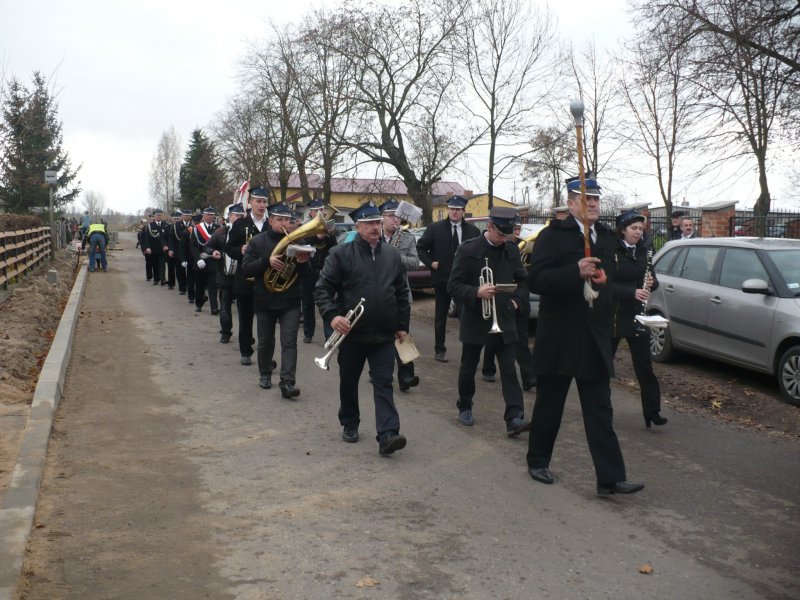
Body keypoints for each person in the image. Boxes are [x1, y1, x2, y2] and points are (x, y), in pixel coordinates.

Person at [526, 175, 644, 497]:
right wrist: (573, 272)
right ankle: (537, 460)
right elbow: (536, 279)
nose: (592, 203)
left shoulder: (605, 238)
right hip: (560, 336)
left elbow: (611, 282)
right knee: (550, 405)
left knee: (600, 410)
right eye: (585, 198)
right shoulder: (553, 236)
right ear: (570, 202)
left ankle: (610, 477)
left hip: (594, 336)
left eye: (595, 199)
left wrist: (604, 281)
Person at [314, 200, 410, 455]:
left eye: (378, 222)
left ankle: (388, 434)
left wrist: (402, 325)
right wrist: (332, 316)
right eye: (369, 223)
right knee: (349, 381)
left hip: (382, 336)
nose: (375, 227)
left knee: (383, 383)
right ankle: (350, 422)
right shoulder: (341, 254)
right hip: (351, 335)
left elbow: (401, 292)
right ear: (357, 226)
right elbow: (323, 289)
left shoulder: (392, 255)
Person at [447, 207, 530, 435]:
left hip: (504, 318)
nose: (505, 239)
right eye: (501, 234)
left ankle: (515, 417)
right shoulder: (468, 250)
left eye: (508, 235)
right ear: (490, 227)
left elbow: (524, 283)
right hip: (477, 317)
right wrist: (475, 292)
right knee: (468, 367)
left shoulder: (511, 250)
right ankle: (465, 404)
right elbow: (452, 286)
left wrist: (516, 302)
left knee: (509, 370)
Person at [241, 202, 311, 398]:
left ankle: (287, 383)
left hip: (290, 301)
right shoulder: (257, 242)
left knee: (289, 342)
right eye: (279, 219)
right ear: (270, 220)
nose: (284, 223)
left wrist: (304, 264)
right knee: (265, 342)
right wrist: (266, 261)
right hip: (264, 300)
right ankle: (265, 373)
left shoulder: (297, 241)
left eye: (287, 220)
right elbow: (245, 269)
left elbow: (307, 276)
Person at [611, 210, 667, 429]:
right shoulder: (612, 251)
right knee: (604, 367)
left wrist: (651, 283)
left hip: (638, 317)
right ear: (623, 229)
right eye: (633, 228)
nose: (638, 233)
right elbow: (605, 285)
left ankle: (652, 412)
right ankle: (601, 410)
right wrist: (631, 292)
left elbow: (653, 280)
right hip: (615, 316)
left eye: (641, 229)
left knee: (645, 367)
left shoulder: (645, 249)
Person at [416, 195, 481, 363]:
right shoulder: (435, 228)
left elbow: (479, 254)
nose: (454, 212)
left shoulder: (473, 231)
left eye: (457, 210)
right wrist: (431, 263)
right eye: (451, 209)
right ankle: (440, 350)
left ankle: (468, 349)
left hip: (464, 283)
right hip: (442, 279)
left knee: (465, 316)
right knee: (441, 317)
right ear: (448, 210)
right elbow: (421, 248)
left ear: (463, 212)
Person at [481, 214, 536, 391]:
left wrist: (518, 300)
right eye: (514, 229)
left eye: (517, 229)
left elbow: (524, 277)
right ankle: (489, 367)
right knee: (494, 338)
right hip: (499, 300)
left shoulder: (519, 246)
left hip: (517, 301)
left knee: (520, 341)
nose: (515, 233)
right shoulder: (499, 248)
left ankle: (529, 378)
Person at [226, 187, 270, 366]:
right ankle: (245, 350)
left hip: (267, 280)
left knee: (266, 321)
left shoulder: (271, 224)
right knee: (245, 319)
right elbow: (228, 248)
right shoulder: (241, 224)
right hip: (245, 279)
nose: (261, 205)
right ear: (250, 202)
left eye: (264, 202)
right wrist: (240, 250)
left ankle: (265, 353)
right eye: (258, 201)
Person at [380, 198, 420, 391]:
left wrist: (396, 257)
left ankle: (406, 376)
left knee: (403, 334)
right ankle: (378, 373)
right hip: (377, 294)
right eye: (390, 216)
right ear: (382, 218)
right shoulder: (372, 236)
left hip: (400, 294)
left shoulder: (407, 238)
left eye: (397, 216)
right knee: (379, 334)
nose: (394, 220)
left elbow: (414, 263)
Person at [206, 203, 245, 343]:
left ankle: (245, 335)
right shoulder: (221, 232)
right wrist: (213, 252)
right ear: (229, 217)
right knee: (225, 305)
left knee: (244, 309)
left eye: (241, 215)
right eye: (236, 215)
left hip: (243, 275)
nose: (239, 218)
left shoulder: (248, 231)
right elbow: (208, 247)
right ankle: (226, 332)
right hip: (225, 274)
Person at [300, 198, 337, 344]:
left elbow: (334, 248)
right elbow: (302, 244)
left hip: (324, 269)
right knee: (308, 303)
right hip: (309, 269)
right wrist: (317, 237)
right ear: (311, 212)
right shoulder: (304, 226)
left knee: (326, 301)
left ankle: (329, 335)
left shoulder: (330, 226)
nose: (321, 212)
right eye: (317, 210)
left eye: (322, 210)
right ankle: (308, 333)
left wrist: (327, 236)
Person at [190, 207, 220, 313]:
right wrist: (198, 259)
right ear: (203, 216)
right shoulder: (197, 228)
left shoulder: (218, 228)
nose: (210, 216)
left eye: (212, 215)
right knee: (200, 285)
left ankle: (214, 307)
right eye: (208, 214)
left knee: (213, 286)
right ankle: (199, 304)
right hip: (200, 261)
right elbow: (193, 246)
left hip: (213, 261)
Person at [141, 209, 169, 285]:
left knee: (162, 265)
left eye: (160, 215)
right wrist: (147, 247)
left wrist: (166, 246)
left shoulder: (166, 225)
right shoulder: (150, 226)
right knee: (155, 265)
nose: (159, 216)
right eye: (157, 215)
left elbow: (167, 237)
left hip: (162, 249)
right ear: (154, 216)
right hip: (154, 249)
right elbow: (147, 238)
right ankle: (156, 279)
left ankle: (163, 279)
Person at [169, 209, 192, 296]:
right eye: (185, 215)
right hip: (179, 251)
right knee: (180, 271)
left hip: (190, 251)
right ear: (182, 216)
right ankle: (182, 288)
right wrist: (171, 249)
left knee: (191, 271)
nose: (187, 217)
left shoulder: (193, 225)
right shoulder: (176, 225)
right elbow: (171, 238)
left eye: (188, 215)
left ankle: (190, 287)